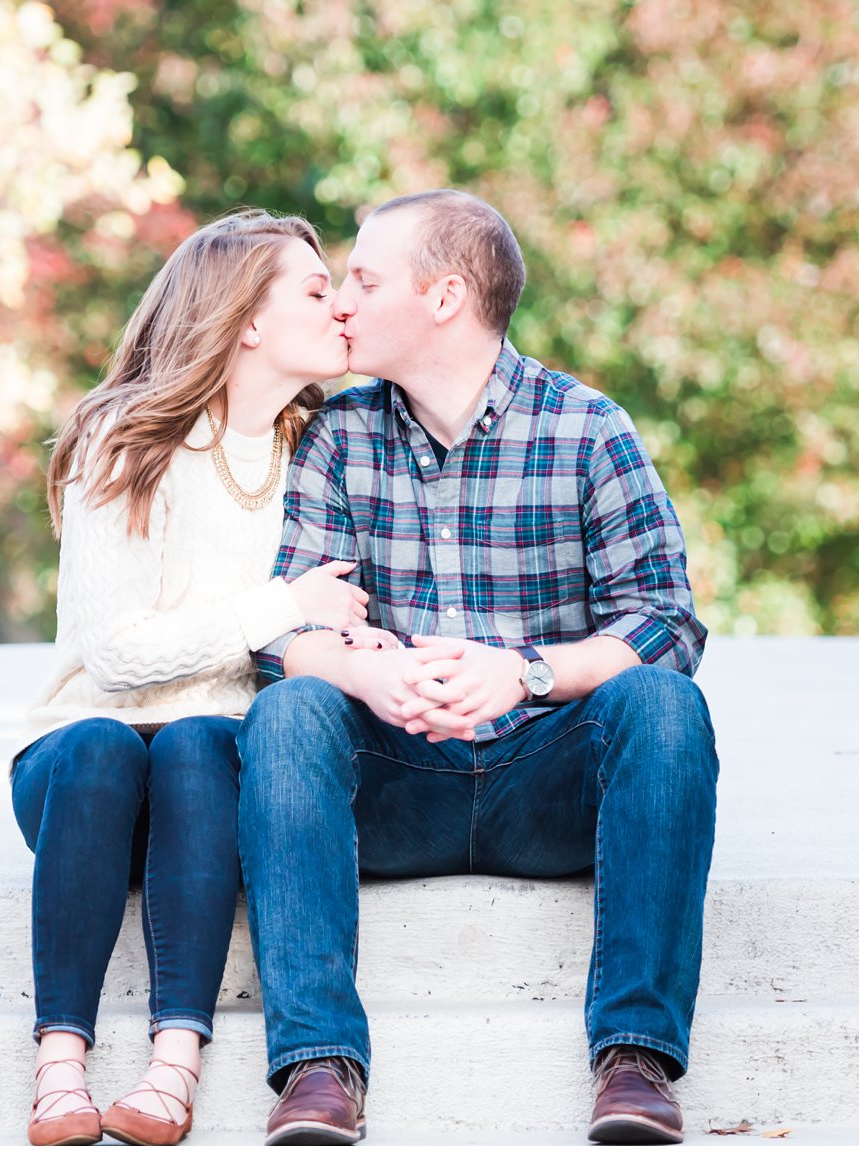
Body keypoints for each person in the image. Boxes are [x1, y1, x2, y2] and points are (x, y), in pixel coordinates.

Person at [239, 189, 718, 1146]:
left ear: (445, 296)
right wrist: (365, 675)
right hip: (397, 778)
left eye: (365, 281)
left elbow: (666, 619)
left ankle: (634, 1058)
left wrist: (526, 674)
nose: (344, 302)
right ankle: (318, 1067)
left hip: (543, 779)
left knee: (662, 707)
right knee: (287, 712)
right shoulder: (340, 434)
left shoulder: (588, 429)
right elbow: (286, 627)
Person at [10, 208, 370, 1146]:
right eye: (316, 289)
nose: (341, 310)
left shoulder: (320, 450)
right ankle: (59, 1063)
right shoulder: (122, 438)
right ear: (248, 317)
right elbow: (117, 655)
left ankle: (174, 1064)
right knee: (100, 743)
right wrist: (282, 606)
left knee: (206, 739)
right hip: (79, 778)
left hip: (207, 786)